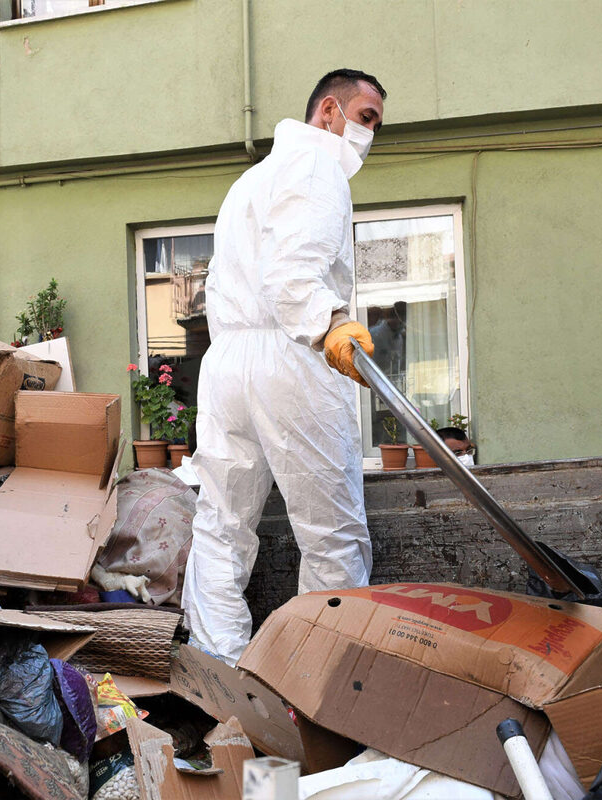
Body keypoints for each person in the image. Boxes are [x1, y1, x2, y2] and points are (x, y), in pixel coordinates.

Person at [183, 68, 387, 664]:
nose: (370, 135)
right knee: (332, 533)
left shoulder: (250, 180)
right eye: (366, 118)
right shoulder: (319, 164)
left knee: (222, 525)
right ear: (329, 110)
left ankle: (219, 671)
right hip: (290, 355)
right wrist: (330, 325)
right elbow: (292, 273)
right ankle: (320, 681)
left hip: (226, 364)